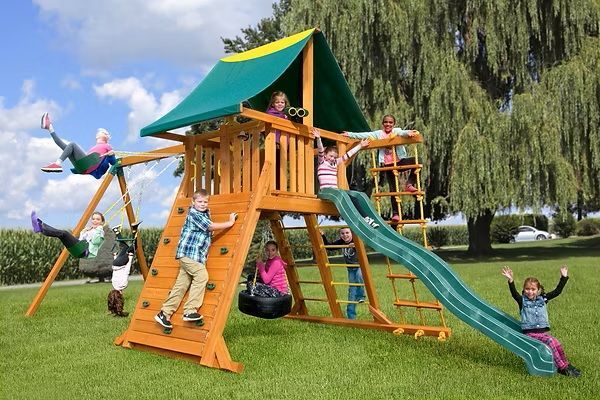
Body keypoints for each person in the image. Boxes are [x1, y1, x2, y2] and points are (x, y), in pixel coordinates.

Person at [154, 189, 237, 329]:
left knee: (181, 285)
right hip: (188, 254)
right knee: (201, 275)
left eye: (205, 202)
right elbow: (209, 227)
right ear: (193, 202)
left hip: (195, 256)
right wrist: (229, 223)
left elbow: (204, 236)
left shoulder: (205, 213)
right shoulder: (194, 213)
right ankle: (190, 310)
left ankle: (165, 313)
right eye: (199, 201)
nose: (203, 204)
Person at [501, 265, 581, 377]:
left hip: (542, 333)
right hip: (530, 334)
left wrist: (563, 277)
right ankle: (562, 368)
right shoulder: (522, 301)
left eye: (533, 289)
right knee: (550, 342)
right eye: (527, 289)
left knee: (556, 343)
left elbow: (557, 291)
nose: (530, 292)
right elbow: (514, 293)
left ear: (538, 290)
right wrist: (511, 280)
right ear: (524, 290)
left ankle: (566, 364)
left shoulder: (543, 299)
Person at [342, 115, 420, 222]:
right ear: (383, 124)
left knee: (417, 160)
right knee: (393, 190)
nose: (388, 124)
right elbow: (364, 135)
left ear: (394, 124)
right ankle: (396, 213)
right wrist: (349, 134)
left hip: (400, 161)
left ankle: (409, 184)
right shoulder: (378, 134)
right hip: (388, 165)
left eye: (390, 122)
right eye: (386, 122)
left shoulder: (396, 131)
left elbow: (403, 132)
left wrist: (410, 133)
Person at [40, 112, 117, 178]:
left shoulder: (107, 146)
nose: (97, 133)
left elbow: (114, 163)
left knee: (72, 144)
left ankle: (57, 164)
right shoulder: (93, 148)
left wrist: (111, 155)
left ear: (105, 136)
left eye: (101, 132)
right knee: (66, 147)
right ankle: (49, 127)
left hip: (88, 166)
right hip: (83, 167)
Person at [321, 228, 365, 319]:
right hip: (350, 269)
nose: (345, 235)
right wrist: (322, 235)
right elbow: (329, 247)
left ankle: (361, 296)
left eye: (347, 233)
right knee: (351, 291)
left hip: (360, 266)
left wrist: (355, 245)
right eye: (342, 233)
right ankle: (351, 317)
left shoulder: (356, 240)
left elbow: (363, 246)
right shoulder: (341, 241)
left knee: (359, 276)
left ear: (352, 233)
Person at [31, 210, 105, 259]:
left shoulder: (100, 232)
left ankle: (41, 227)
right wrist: (84, 232)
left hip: (85, 251)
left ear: (102, 222)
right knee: (61, 235)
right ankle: (40, 226)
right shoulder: (89, 230)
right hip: (79, 250)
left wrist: (99, 228)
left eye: (98, 219)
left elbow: (96, 241)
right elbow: (81, 240)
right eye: (93, 219)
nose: (95, 221)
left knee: (64, 233)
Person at [107, 222, 141, 317]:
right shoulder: (114, 284)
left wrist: (130, 258)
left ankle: (134, 230)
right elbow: (115, 271)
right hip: (116, 264)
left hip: (122, 263)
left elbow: (126, 271)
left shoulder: (123, 285)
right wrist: (115, 257)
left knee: (134, 247)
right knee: (126, 247)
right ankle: (116, 231)